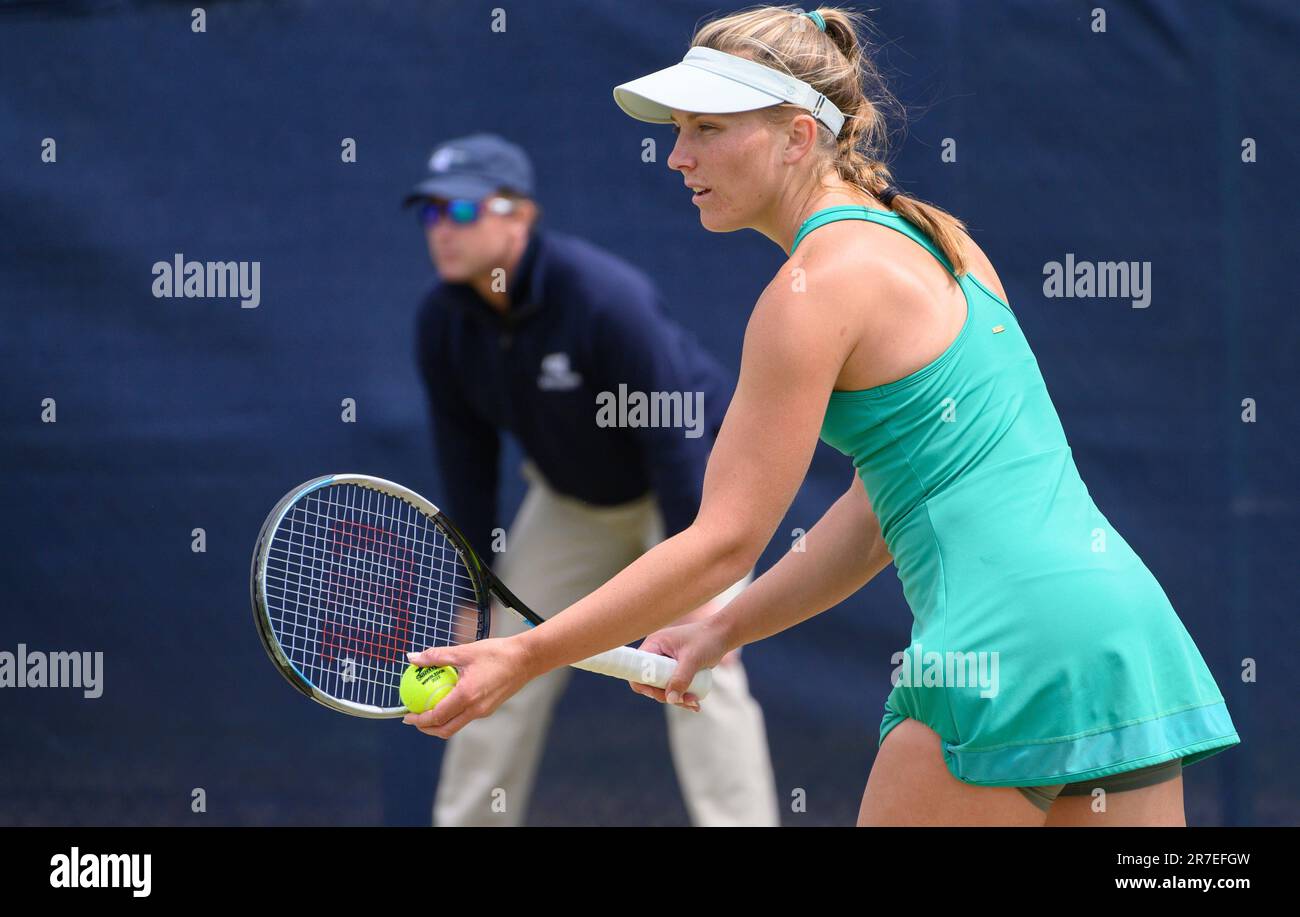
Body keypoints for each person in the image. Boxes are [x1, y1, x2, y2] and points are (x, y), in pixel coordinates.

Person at [405, 7, 1241, 827]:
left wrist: (521, 652)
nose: (675, 155)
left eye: (705, 128)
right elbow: (880, 513)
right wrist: (724, 624)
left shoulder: (807, 294)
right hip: (1119, 633)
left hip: (1001, 650)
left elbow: (724, 539)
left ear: (797, 137)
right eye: (677, 128)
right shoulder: (943, 239)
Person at [406, 132, 780, 827]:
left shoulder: (605, 299)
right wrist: (474, 592)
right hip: (573, 504)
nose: (443, 232)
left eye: (461, 212)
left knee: (698, 667)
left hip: (689, 491)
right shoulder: (441, 322)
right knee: (492, 662)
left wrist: (695, 592)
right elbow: (467, 465)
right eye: (430, 215)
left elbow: (676, 443)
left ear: (518, 215)